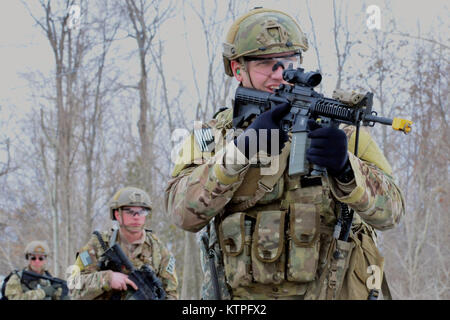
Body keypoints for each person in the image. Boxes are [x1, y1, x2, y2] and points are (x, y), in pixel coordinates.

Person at [165, 8, 405, 300]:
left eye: (289, 61)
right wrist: (241, 152)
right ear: (237, 69)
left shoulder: (341, 133)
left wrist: (346, 168)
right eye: (265, 63)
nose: (279, 73)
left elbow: (391, 214)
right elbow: (183, 215)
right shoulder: (212, 136)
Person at [69, 186, 178, 300]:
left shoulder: (159, 252)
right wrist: (107, 279)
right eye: (130, 211)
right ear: (117, 215)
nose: (136, 217)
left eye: (142, 212)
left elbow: (172, 294)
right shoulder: (97, 245)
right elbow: (73, 287)